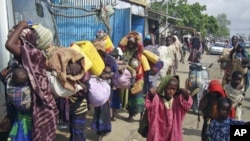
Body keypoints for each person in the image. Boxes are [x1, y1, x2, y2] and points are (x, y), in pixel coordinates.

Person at [5, 21, 58, 141]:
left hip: (36, 109)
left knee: (29, 135)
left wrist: (22, 25)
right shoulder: (21, 58)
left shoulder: (33, 54)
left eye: (18, 37)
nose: (12, 38)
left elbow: (9, 44)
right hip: (24, 112)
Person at [145, 75, 193, 141]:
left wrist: (181, 90)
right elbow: (149, 99)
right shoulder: (158, 101)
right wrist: (160, 88)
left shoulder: (178, 102)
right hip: (158, 134)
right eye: (168, 88)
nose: (171, 91)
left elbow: (188, 101)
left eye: (174, 89)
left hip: (173, 134)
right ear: (164, 88)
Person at [91, 38, 119, 141]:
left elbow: (116, 73)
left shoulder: (110, 59)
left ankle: (101, 132)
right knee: (98, 108)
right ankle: (100, 129)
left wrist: (111, 80)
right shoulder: (93, 59)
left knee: (104, 108)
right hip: (95, 87)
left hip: (107, 88)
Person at [119, 32, 145, 121]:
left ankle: (142, 115)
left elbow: (141, 46)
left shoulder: (138, 51)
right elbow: (121, 44)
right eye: (129, 43)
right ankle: (131, 114)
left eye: (132, 43)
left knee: (139, 96)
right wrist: (128, 36)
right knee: (131, 96)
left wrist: (137, 38)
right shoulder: (125, 51)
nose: (130, 45)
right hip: (129, 76)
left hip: (138, 76)